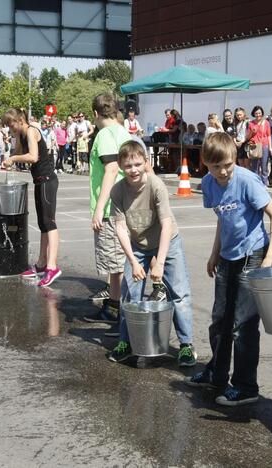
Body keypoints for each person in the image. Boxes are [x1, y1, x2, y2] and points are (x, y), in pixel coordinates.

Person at [185, 132, 272, 406]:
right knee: (220, 319)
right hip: (228, 256)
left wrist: (270, 255)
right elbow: (222, 218)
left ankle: (245, 385)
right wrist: (214, 253)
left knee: (243, 323)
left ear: (234, 159)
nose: (223, 171)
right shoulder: (208, 184)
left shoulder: (247, 180)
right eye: (217, 166)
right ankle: (217, 373)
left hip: (254, 254)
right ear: (205, 163)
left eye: (228, 164)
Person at [107, 140, 197, 366]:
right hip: (137, 245)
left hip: (167, 240)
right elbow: (120, 227)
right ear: (120, 166)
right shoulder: (117, 191)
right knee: (130, 295)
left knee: (179, 293)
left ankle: (186, 346)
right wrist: (133, 262)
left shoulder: (156, 185)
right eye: (128, 166)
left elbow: (166, 224)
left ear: (146, 163)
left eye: (138, 164)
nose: (134, 170)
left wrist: (160, 262)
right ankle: (126, 343)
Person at [82, 92, 132, 333]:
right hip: (125, 205)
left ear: (95, 113)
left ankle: (121, 311)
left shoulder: (104, 135)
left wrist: (99, 209)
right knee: (117, 264)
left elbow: (111, 169)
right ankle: (114, 306)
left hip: (112, 209)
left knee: (117, 264)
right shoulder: (125, 132)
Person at [2, 108, 62, 287]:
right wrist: (13, 148)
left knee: (49, 223)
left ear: (20, 119)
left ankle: (52, 266)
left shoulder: (31, 130)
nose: (9, 127)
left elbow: (33, 157)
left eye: (11, 123)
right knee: (42, 224)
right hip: (39, 181)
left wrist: (13, 158)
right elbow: (20, 152)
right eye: (7, 125)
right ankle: (41, 264)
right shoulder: (21, 134)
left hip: (47, 180)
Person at [245, 106, 272, 185]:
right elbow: (247, 136)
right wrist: (251, 132)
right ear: (253, 114)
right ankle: (255, 183)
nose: (258, 115)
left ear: (262, 113)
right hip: (254, 146)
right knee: (254, 166)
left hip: (264, 145)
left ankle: (264, 183)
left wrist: (270, 147)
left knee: (264, 165)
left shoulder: (266, 123)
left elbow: (269, 135)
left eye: (259, 113)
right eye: (256, 113)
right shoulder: (250, 123)